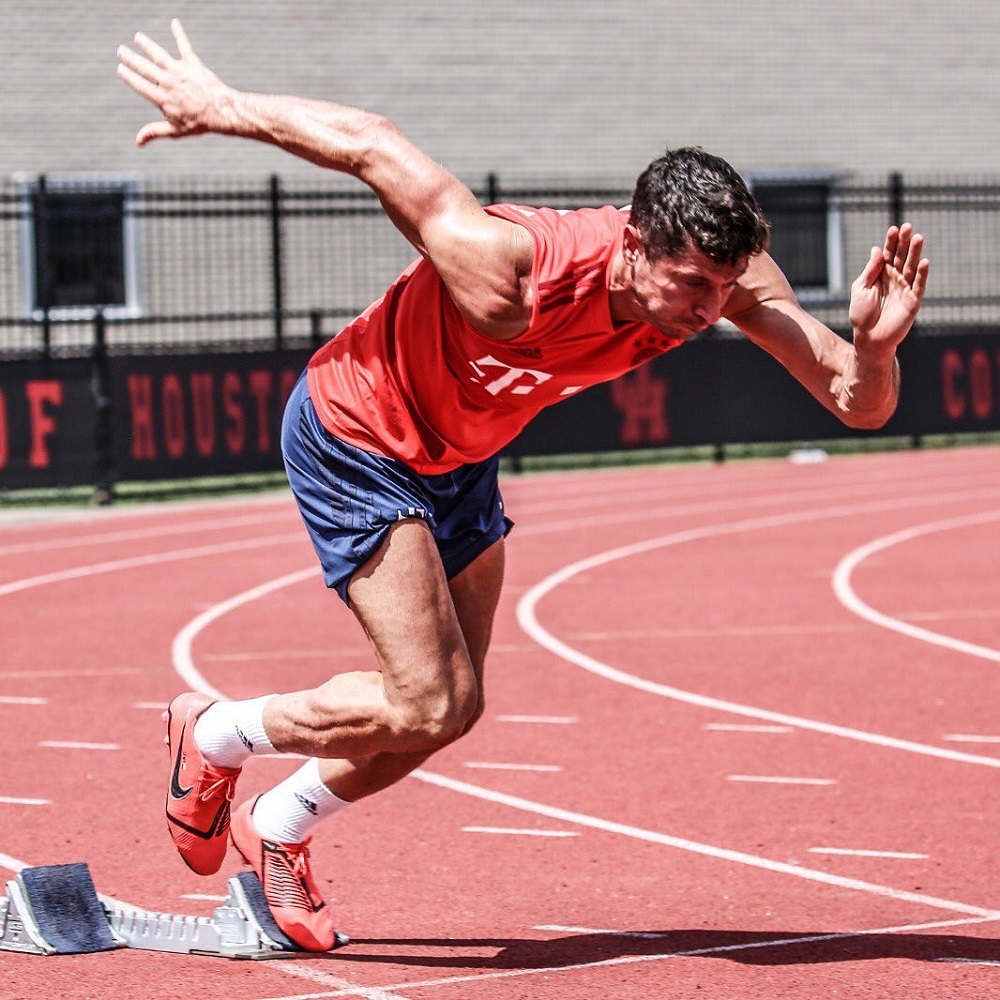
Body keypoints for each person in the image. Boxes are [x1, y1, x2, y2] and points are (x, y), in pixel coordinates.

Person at [117, 21, 930, 952]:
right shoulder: (511, 269)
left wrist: (874, 344)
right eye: (690, 283)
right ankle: (214, 733)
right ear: (631, 244)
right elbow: (376, 146)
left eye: (724, 286)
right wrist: (220, 108)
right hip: (358, 431)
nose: (709, 310)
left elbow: (855, 404)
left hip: (462, 457)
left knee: (448, 714)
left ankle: (280, 825)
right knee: (427, 700)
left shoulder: (733, 287)